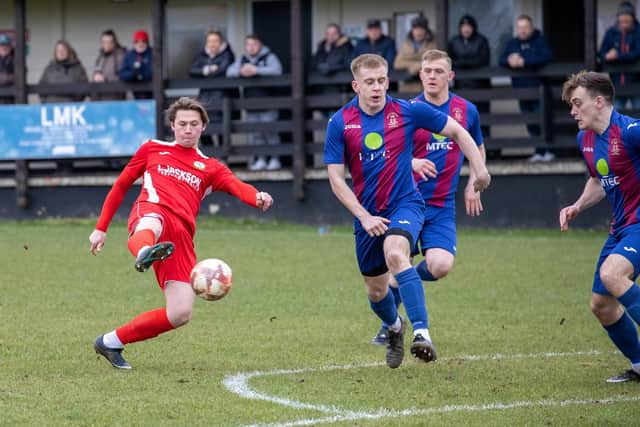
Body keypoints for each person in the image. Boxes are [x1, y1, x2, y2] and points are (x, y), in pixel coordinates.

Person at [324, 53, 490, 368]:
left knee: (397, 254)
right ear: (355, 85)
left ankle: (422, 334)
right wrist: (363, 216)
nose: (377, 87)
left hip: (406, 203)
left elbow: (458, 131)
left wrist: (479, 171)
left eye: (382, 80)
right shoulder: (340, 122)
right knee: (376, 292)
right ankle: (395, 326)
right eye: (370, 82)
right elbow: (335, 178)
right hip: (367, 215)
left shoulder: (407, 110)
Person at [89, 97, 274, 369]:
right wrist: (100, 228)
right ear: (173, 126)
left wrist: (257, 197)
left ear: (202, 128)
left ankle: (111, 342)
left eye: (194, 124)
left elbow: (237, 186)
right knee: (151, 224)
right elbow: (121, 186)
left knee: (180, 313)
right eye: (183, 124)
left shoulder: (211, 167)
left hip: (180, 236)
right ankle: (143, 252)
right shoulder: (152, 149)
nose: (188, 129)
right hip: (152, 209)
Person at [370, 49, 486, 346]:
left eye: (438, 71)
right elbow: (387, 154)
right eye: (427, 71)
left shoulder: (466, 110)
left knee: (441, 266)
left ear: (450, 75)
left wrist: (474, 181)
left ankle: (403, 287)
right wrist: (411, 163)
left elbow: (475, 146)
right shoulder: (406, 110)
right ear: (420, 75)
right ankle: (391, 326)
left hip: (441, 204)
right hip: (406, 201)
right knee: (398, 261)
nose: (432, 76)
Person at [559, 71, 640, 383]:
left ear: (600, 101)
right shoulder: (586, 139)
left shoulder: (630, 132)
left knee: (612, 274)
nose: (572, 111)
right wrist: (577, 205)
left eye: (577, 103)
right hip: (620, 226)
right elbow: (598, 179)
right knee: (602, 305)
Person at [499, 15, 553, 162]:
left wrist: (524, 61)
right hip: (521, 90)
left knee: (541, 120)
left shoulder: (539, 41)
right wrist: (510, 61)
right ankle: (538, 151)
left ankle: (547, 151)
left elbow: (547, 57)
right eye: (520, 27)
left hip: (538, 89)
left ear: (531, 27)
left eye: (525, 27)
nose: (522, 30)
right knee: (530, 123)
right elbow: (501, 59)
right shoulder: (513, 43)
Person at [226, 34, 283, 171]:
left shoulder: (269, 57)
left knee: (270, 132)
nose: (251, 47)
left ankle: (275, 159)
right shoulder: (243, 59)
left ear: (260, 45)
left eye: (254, 44)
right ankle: (261, 160)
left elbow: (277, 70)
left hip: (268, 102)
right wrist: (242, 71)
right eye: (249, 45)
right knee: (256, 134)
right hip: (250, 104)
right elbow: (229, 71)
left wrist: (256, 70)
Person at [448, 14, 491, 137]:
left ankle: (486, 151)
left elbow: (483, 60)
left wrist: (461, 63)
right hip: (461, 87)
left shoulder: (481, 40)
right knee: (462, 120)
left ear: (473, 27)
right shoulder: (454, 42)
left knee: (482, 120)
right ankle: (465, 153)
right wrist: (468, 63)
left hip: (480, 86)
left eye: (469, 26)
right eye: (463, 26)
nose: (466, 29)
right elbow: (449, 61)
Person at [598, 1, 640, 110]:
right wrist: (607, 56)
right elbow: (601, 54)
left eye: (628, 16)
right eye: (622, 16)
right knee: (615, 117)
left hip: (636, 82)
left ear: (633, 17)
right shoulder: (611, 33)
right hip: (616, 83)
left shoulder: (638, 31)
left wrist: (617, 56)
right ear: (618, 17)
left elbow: (637, 53)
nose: (625, 19)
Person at [189, 30, 235, 108]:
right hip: (204, 97)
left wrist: (203, 72)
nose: (212, 44)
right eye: (210, 41)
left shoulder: (227, 55)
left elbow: (222, 70)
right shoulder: (202, 55)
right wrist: (207, 69)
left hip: (223, 97)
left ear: (221, 42)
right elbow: (192, 71)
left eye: (215, 41)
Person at [393, 15, 437, 93]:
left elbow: (433, 61)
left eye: (421, 29)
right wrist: (414, 64)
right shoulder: (406, 44)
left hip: (425, 87)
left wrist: (417, 65)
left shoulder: (433, 44)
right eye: (416, 29)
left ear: (426, 31)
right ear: (412, 30)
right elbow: (397, 63)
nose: (418, 32)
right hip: (406, 87)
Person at [92, 29, 126, 101]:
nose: (106, 45)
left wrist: (105, 79)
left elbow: (123, 77)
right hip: (100, 99)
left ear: (114, 43)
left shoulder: (121, 56)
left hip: (115, 99)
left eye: (109, 42)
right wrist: (96, 76)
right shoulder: (100, 57)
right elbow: (95, 72)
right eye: (104, 42)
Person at [119, 30, 152, 99]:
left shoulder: (152, 54)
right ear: (134, 43)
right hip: (136, 95)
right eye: (137, 41)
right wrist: (133, 73)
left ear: (147, 42)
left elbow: (154, 73)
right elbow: (122, 74)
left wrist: (141, 72)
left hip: (153, 94)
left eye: (143, 41)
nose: (140, 44)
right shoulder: (129, 55)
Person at [0, 34, 14, 104]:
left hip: (12, 101)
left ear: (10, 47)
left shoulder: (17, 60)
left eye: (6, 45)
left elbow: (19, 78)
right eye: (1, 45)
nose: (4, 47)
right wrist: (9, 77)